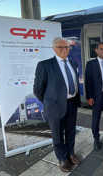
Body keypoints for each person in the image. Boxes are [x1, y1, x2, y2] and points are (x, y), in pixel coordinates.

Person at [33, 37, 81, 172]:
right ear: (54, 49)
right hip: (54, 106)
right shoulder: (45, 65)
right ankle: (62, 158)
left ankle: (70, 153)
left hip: (72, 103)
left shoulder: (72, 62)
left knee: (71, 131)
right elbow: (38, 90)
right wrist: (50, 102)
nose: (65, 50)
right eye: (61, 47)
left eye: (67, 47)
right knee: (57, 134)